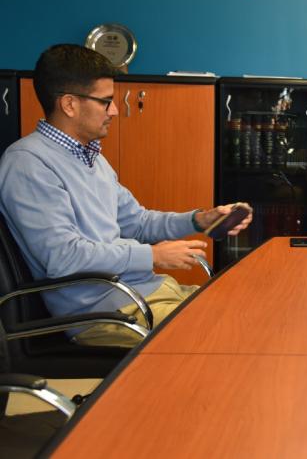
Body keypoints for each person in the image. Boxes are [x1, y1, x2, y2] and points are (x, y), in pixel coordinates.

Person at [0, 44, 252, 348]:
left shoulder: (91, 157)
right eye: (106, 102)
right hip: (105, 313)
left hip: (143, 294)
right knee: (231, 334)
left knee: (245, 309)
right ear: (69, 104)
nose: (115, 111)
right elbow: (62, 257)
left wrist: (198, 220)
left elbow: (138, 222)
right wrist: (153, 255)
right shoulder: (28, 164)